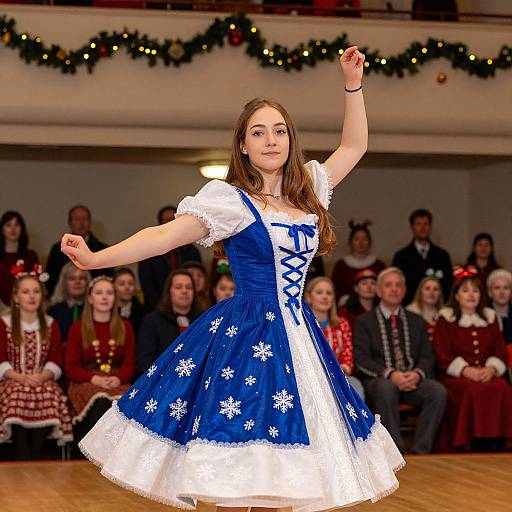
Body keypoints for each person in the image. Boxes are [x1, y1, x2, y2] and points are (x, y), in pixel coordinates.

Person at [61, 47, 405, 509]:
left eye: (279, 131)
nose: (271, 140)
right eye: (258, 132)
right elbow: (163, 236)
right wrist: (97, 259)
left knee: (287, 477)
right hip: (248, 338)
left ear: (290, 140)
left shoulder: (309, 189)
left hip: (301, 340)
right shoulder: (229, 201)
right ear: (242, 145)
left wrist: (353, 84)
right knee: (240, 470)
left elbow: (354, 146)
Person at [354, 267, 447, 454]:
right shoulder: (365, 321)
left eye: (398, 285)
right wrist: (391, 374)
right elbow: (361, 359)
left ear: (405, 291)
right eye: (388, 285)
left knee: (437, 391)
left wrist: (416, 374)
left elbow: (427, 356)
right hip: (380, 381)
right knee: (385, 388)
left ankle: (421, 450)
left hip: (412, 381)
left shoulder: (416, 321)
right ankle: (396, 451)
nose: (394, 289)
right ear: (379, 291)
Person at [433, 266, 512, 451]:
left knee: (502, 387)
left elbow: (500, 351)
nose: (471, 295)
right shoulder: (446, 319)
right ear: (457, 295)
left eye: (475, 291)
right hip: (456, 377)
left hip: (486, 373)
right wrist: (465, 370)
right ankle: (470, 443)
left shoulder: (489, 318)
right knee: (472, 390)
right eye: (466, 290)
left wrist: (491, 369)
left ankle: (497, 443)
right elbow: (441, 353)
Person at [0, 267, 72, 459]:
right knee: (17, 395)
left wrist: (41, 377)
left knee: (50, 394)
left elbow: (56, 359)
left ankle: (35, 456)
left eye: (36, 291)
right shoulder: (4, 324)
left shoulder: (50, 324)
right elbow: (1, 359)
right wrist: (21, 378)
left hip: (42, 380)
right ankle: (23, 457)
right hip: (13, 379)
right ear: (15, 297)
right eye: (25, 292)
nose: (31, 296)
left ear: (42, 296)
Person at [65, 276, 135, 444]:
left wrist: (118, 378)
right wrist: (94, 379)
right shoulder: (78, 327)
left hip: (116, 380)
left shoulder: (125, 326)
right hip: (87, 380)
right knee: (101, 401)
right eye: (99, 293)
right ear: (90, 298)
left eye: (109, 293)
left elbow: (130, 364)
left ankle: (119, 455)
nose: (104, 297)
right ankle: (91, 451)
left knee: (126, 401)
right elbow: (70, 367)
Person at [304, 277, 364, 398]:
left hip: (339, 377)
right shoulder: (302, 325)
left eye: (329, 293)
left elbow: (348, 357)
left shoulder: (342, 324)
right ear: (309, 297)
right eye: (319, 292)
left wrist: (337, 371)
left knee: (355, 384)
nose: (325, 296)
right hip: (310, 378)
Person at [136, 270, 201, 376]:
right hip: (161, 382)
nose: (184, 291)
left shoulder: (203, 320)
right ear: (169, 291)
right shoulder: (152, 321)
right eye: (178, 287)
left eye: (189, 287)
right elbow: (144, 361)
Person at [138, 206, 202, 309]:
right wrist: (162, 308)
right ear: (160, 224)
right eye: (166, 220)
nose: (171, 224)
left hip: (189, 308)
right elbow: (147, 286)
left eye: (174, 220)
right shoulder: (149, 252)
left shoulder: (191, 251)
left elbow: (199, 281)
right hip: (155, 308)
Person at [46, 205, 112, 297]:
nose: (81, 223)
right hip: (63, 301)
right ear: (70, 223)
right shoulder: (58, 249)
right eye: (77, 219)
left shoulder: (102, 249)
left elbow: (107, 280)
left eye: (85, 219)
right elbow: (51, 280)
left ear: (90, 222)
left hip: (94, 300)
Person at [392, 209, 453, 305]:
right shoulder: (401, 257)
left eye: (426, 224)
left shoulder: (442, 255)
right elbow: (397, 285)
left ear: (430, 227)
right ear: (412, 227)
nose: (422, 228)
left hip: (437, 307)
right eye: (418, 224)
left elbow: (448, 284)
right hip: (409, 307)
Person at [331, 220, 385, 306]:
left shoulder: (379, 265)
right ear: (351, 242)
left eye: (364, 239)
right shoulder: (341, 265)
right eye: (356, 239)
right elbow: (335, 292)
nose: (361, 243)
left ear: (369, 241)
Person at [0, 211, 39, 306]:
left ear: (22, 229)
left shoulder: (31, 255)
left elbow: (37, 282)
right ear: (2, 229)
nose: (13, 229)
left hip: (26, 305)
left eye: (16, 225)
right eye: (8, 225)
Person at [48, 262, 92, 341]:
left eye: (82, 278)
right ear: (64, 283)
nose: (77, 282)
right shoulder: (53, 312)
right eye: (72, 278)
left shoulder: (95, 310)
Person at [406, 275, 443, 343]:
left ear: (440, 294)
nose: (431, 292)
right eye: (427, 288)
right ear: (420, 292)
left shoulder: (445, 315)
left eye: (435, 289)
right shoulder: (410, 314)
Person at [113, 267, 149, 338]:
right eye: (121, 284)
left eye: (131, 283)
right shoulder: (107, 312)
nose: (127, 287)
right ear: (113, 286)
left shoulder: (145, 313)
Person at [465, 233, 500, 297]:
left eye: (487, 245)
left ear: (491, 248)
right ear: (474, 248)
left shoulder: (498, 271)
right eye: (480, 244)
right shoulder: (466, 270)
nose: (483, 248)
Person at [487, 268, 512, 353]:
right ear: (490, 292)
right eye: (497, 288)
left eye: (506, 288)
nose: (502, 292)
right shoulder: (483, 315)